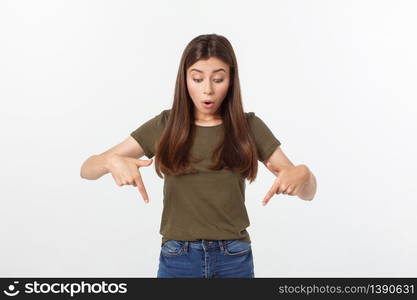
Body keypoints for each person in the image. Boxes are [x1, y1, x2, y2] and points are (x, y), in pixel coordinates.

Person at [80, 33, 317, 278]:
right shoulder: (165, 125)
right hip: (178, 258)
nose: (208, 90)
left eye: (218, 79)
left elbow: (308, 192)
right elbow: (86, 169)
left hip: (234, 259)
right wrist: (110, 161)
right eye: (197, 78)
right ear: (184, 80)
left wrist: (303, 173)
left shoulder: (248, 127)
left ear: (231, 80)